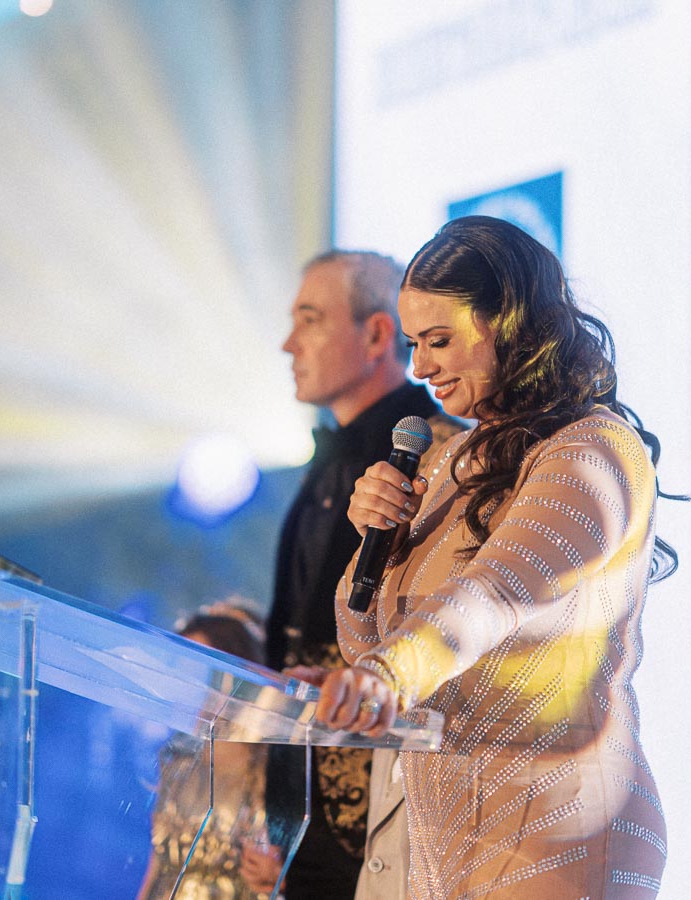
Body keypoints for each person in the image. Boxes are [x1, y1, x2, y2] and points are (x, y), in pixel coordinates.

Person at [315, 216, 678, 899]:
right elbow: (366, 643)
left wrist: (387, 676)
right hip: (450, 838)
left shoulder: (591, 452)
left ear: (509, 324)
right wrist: (375, 545)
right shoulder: (449, 458)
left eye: (440, 340)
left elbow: (493, 598)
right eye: (415, 344)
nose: (419, 368)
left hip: (560, 835)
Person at [239, 250, 462, 899]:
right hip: (304, 816)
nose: (288, 343)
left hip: (389, 820)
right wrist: (274, 816)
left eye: (309, 319)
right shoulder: (323, 461)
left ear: (376, 335)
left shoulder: (441, 454)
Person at [138, 602, 272, 900]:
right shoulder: (176, 759)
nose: (187, 685)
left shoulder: (270, 770)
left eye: (198, 670)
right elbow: (157, 862)